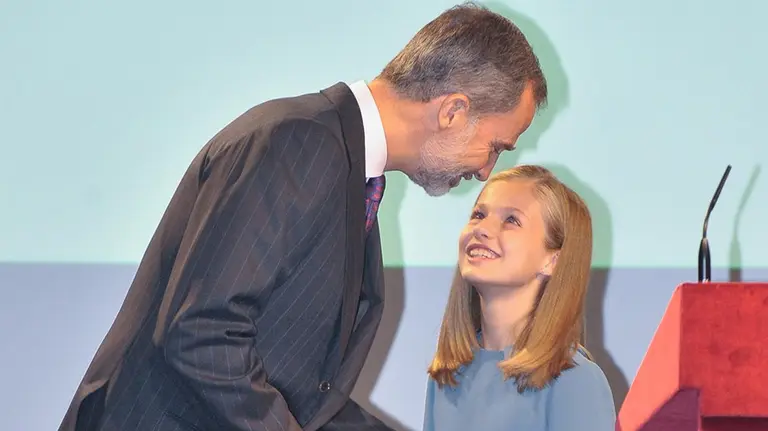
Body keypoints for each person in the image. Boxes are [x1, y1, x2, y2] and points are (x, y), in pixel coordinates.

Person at [59, 3, 548, 431]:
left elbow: (303, 390)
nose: (487, 169)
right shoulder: (300, 142)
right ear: (453, 111)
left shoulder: (345, 166)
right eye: (495, 146)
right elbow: (202, 333)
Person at [422, 165, 616, 431]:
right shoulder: (446, 375)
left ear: (553, 261)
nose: (482, 229)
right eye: (478, 214)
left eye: (511, 220)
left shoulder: (576, 380)